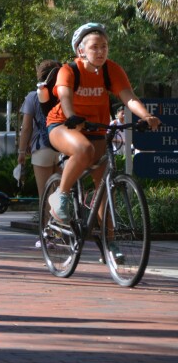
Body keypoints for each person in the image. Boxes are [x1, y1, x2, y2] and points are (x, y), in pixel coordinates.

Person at [45, 23, 160, 258]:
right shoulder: (69, 70)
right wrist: (71, 117)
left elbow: (128, 97)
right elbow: (65, 96)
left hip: (97, 127)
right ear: (81, 50)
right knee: (83, 149)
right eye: (94, 47)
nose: (100, 51)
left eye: (104, 46)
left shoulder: (111, 70)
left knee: (104, 190)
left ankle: (110, 243)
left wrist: (146, 115)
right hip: (62, 124)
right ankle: (61, 197)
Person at [18, 60, 62, 201]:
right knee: (60, 196)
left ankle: (46, 223)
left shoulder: (33, 96)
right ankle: (61, 223)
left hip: (41, 148)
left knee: (45, 196)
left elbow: (26, 128)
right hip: (63, 148)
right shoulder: (63, 94)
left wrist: (21, 152)